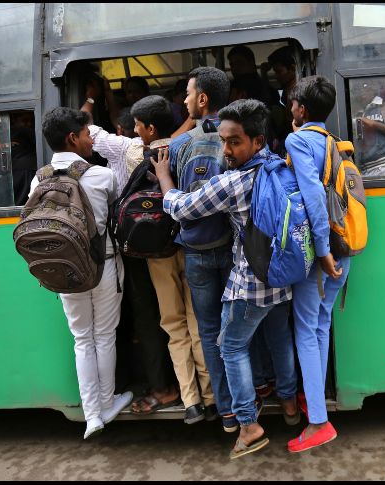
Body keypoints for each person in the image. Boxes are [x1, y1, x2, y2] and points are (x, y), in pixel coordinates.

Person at [154, 99, 295, 459]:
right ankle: (290, 407)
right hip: (283, 276)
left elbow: (182, 209)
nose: (225, 149)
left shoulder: (234, 182)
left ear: (257, 141)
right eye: (223, 140)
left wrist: (164, 178)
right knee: (279, 338)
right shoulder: (280, 168)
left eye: (234, 142)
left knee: (230, 346)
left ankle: (248, 425)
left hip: (249, 283)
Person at [81, 95, 189, 418]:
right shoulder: (186, 146)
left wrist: (90, 97)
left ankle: (162, 387)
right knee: (189, 316)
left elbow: (89, 129)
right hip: (183, 243)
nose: (135, 131)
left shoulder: (126, 149)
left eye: (138, 127)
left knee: (149, 317)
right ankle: (197, 390)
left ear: (147, 128)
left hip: (138, 248)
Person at [29, 107, 133, 439]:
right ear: (73, 138)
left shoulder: (39, 178)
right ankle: (107, 403)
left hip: (64, 270)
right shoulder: (102, 176)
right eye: (88, 133)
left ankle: (92, 416)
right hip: (102, 265)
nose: (91, 139)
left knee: (81, 339)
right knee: (104, 336)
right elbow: (115, 212)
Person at [167, 66, 237, 429]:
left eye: (188, 94)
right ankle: (249, 404)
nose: (185, 100)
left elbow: (176, 195)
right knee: (238, 328)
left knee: (209, 330)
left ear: (203, 99)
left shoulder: (179, 145)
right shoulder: (238, 136)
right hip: (232, 247)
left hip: (195, 251)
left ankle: (226, 412)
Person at [285, 75, 349, 452]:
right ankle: (315, 395)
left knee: (306, 329)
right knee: (321, 323)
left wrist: (322, 251)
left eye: (293, 102)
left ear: (302, 109)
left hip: (321, 252)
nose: (290, 107)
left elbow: (311, 195)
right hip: (346, 244)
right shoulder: (331, 140)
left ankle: (319, 424)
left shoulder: (298, 140)